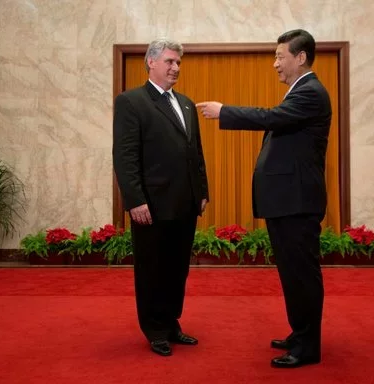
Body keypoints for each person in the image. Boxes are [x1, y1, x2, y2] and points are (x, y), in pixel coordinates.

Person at [196, 29, 331, 368]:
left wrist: (224, 111)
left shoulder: (311, 92)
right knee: (291, 272)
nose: (274, 64)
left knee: (301, 273)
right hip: (287, 201)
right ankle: (300, 333)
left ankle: (307, 346)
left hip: (298, 202)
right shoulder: (299, 91)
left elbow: (270, 118)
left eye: (279, 57)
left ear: (300, 57)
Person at [113, 38, 209, 357]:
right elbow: (125, 156)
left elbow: (195, 153)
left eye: (178, 63)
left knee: (176, 268)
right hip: (151, 205)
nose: (175, 68)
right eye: (169, 61)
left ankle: (170, 323)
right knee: (152, 268)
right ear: (151, 62)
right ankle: (153, 329)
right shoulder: (131, 102)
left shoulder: (185, 103)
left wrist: (202, 191)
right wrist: (134, 199)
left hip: (185, 203)